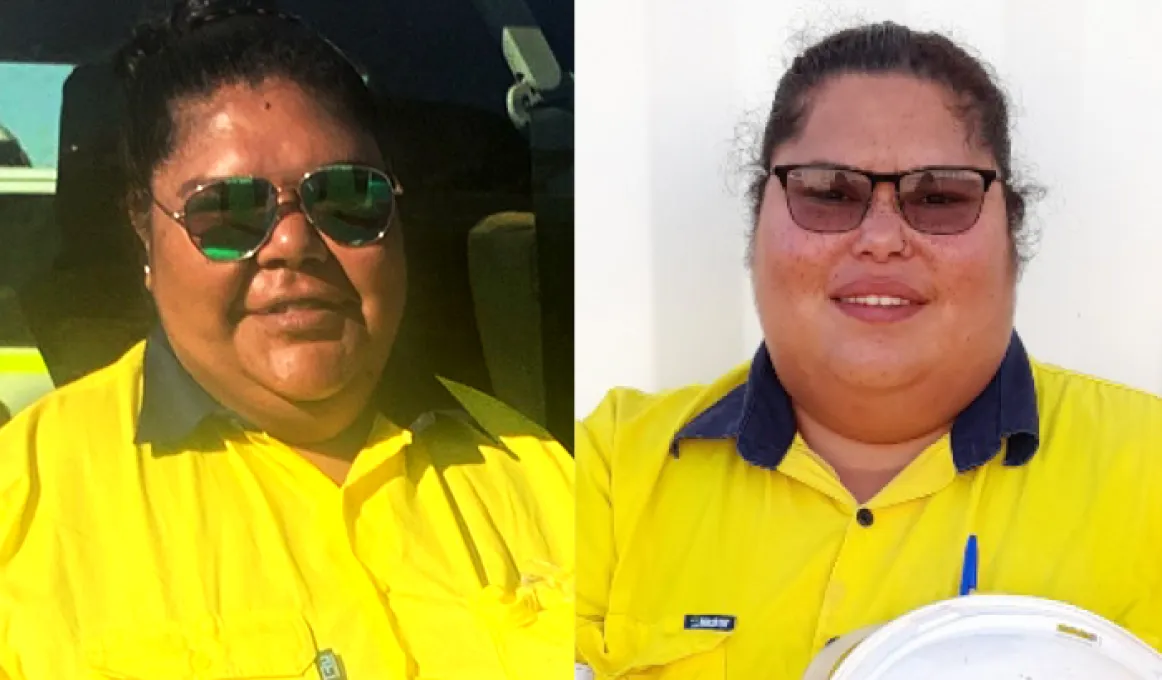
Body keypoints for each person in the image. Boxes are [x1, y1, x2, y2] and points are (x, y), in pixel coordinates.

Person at [0, 1, 572, 678]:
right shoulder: (24, 502)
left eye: (348, 197)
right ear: (142, 232)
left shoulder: (542, 474)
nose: (295, 244)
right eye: (229, 209)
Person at [575, 22, 1162, 680]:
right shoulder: (609, 473)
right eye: (828, 193)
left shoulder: (1151, 473)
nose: (882, 238)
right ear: (756, 226)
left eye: (940, 198)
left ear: (1011, 239)